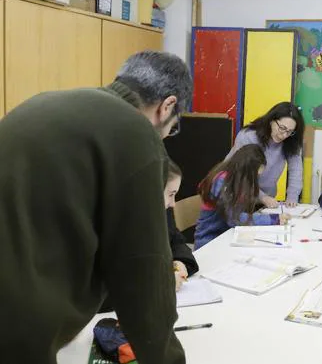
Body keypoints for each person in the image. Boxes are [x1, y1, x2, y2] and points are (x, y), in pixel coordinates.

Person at [0, 51, 192, 364]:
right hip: (17, 320)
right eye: (172, 128)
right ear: (167, 106)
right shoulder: (135, 133)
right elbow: (142, 269)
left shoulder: (47, 103)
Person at [194, 144, 290, 249]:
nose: (255, 178)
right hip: (210, 240)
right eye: (254, 174)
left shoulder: (237, 180)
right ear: (246, 169)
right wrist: (272, 219)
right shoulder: (221, 181)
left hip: (228, 235)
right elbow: (234, 218)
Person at [225, 101, 304, 209]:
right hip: (238, 196)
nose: (284, 135)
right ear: (271, 120)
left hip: (264, 202)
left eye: (290, 131)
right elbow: (239, 175)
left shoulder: (291, 141)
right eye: (282, 128)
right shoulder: (248, 137)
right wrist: (262, 197)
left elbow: (296, 169)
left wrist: (292, 196)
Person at [165, 159, 199, 291]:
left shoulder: (164, 211)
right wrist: (160, 280)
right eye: (170, 195)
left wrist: (180, 262)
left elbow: (176, 240)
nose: (173, 203)